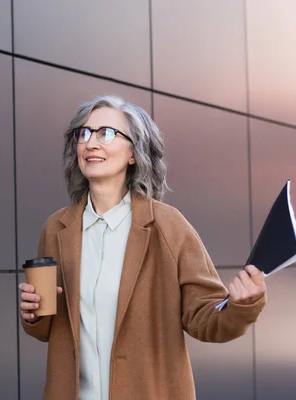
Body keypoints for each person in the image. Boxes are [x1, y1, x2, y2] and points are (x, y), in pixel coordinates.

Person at [18, 95, 267, 400]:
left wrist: (242, 306)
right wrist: (33, 314)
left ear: (134, 152)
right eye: (84, 133)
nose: (91, 143)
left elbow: (206, 319)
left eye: (106, 133)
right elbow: (45, 330)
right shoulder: (57, 228)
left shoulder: (167, 226)